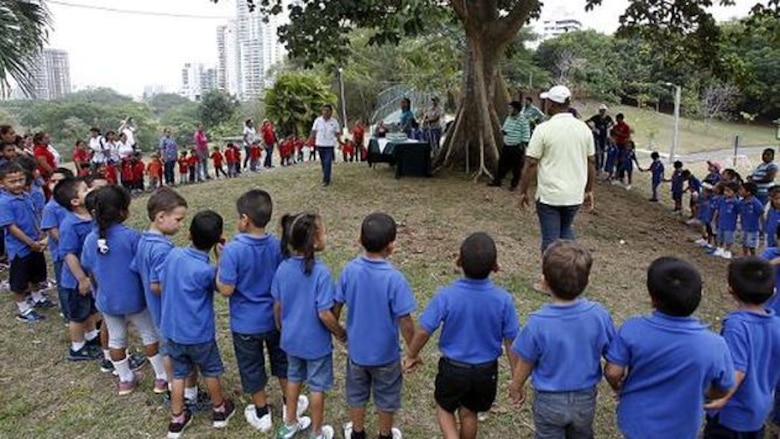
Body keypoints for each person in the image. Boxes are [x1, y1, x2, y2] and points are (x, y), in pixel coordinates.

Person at [404, 232, 519, 439]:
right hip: (486, 372)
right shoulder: (504, 300)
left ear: (458, 261)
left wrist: (411, 354)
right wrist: (515, 377)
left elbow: (424, 330)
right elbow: (511, 341)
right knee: (469, 413)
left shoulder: (446, 295)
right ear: (496, 266)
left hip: (453, 369)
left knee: (444, 407)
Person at [604, 257, 734, 439]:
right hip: (683, 426)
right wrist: (700, 392)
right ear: (699, 297)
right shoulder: (715, 344)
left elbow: (612, 372)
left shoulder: (633, 329)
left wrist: (619, 387)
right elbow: (725, 386)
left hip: (637, 421)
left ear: (652, 298)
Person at [216, 190, 309, 433]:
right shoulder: (278, 246)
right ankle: (291, 404)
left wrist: (220, 260)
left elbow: (226, 289)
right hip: (276, 321)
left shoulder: (233, 250)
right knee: (282, 363)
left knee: (252, 367)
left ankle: (262, 413)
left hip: (245, 325)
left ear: (245, 219)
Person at [509, 241, 615, 438]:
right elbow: (614, 357)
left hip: (549, 401)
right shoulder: (599, 315)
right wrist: (618, 385)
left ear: (544, 282)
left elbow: (526, 361)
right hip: (585, 399)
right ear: (588, 280)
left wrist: (516, 385)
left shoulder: (537, 322)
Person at [334, 213, 416, 439]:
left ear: (360, 240)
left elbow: (336, 305)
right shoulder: (395, 279)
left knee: (357, 393)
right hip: (387, 355)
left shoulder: (349, 270)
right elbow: (406, 322)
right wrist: (413, 351)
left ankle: (357, 432)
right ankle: (384, 434)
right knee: (387, 396)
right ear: (391, 247)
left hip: (357, 353)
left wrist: (339, 332)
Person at [81, 186, 168, 395]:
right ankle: (161, 377)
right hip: (135, 299)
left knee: (116, 339)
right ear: (122, 211)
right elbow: (143, 269)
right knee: (149, 335)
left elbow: (89, 268)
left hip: (107, 300)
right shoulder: (131, 237)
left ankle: (125, 380)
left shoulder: (90, 239)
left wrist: (98, 293)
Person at [159, 210, 236, 437]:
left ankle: (176, 419)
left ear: (190, 235)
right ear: (217, 240)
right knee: (210, 371)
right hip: (199, 334)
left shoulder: (173, 256)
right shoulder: (206, 271)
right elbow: (223, 286)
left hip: (173, 331)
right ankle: (219, 409)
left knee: (179, 374)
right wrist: (221, 258)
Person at [273, 212, 345, 439]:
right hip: (316, 344)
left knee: (293, 378)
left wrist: (281, 328)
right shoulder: (321, 273)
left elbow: (277, 305)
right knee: (316, 386)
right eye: (323, 232)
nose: (326, 235)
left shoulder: (283, 268)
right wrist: (341, 333)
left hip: (291, 340)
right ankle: (316, 432)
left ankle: (290, 423)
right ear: (314, 240)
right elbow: (324, 313)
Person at [702, 257, 780, 438]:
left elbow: (737, 371)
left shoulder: (736, 325)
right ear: (774, 291)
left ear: (731, 290)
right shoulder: (777, 325)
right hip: (758, 412)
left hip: (732, 415)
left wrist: (721, 398)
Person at [517, 85, 596, 253]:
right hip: (574, 195)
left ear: (552, 104)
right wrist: (589, 190)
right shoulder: (584, 129)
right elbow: (591, 162)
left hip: (550, 196)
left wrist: (523, 191)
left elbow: (531, 163)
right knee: (565, 230)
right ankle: (575, 266)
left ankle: (553, 275)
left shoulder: (543, 129)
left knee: (551, 240)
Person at [52, 177, 102, 360]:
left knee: (90, 310)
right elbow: (69, 254)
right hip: (76, 280)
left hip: (91, 277)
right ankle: (77, 348)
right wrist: (81, 279)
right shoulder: (70, 224)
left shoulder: (93, 216)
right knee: (77, 316)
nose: (90, 190)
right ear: (75, 201)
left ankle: (91, 337)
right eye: (85, 189)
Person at [0, 162, 49, 321]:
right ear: (2, 183)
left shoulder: (26, 196)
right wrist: (29, 242)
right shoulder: (4, 202)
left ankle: (37, 296)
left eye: (21, 179)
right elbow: (12, 227)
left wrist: (40, 233)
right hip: (20, 248)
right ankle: (23, 308)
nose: (18, 184)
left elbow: (34, 215)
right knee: (20, 279)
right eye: (12, 181)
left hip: (35, 243)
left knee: (36, 273)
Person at [41, 168, 74, 321]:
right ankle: (68, 313)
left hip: (75, 250)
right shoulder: (51, 207)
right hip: (63, 252)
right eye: (52, 181)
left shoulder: (72, 203)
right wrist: (68, 246)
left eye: (59, 181)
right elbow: (52, 230)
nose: (54, 184)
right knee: (64, 282)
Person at [488, 101, 530, 191]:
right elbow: (505, 127)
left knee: (516, 167)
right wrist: (504, 131)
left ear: (516, 109)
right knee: (502, 164)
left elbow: (526, 132)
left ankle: (514, 184)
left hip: (517, 146)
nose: (509, 110)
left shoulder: (523, 120)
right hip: (507, 145)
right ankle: (497, 181)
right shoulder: (509, 118)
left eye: (511, 108)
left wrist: (524, 143)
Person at [309, 104, 341, 187]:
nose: (325, 112)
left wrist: (340, 142)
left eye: (327, 110)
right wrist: (309, 141)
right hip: (320, 145)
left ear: (331, 112)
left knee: (328, 162)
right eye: (324, 110)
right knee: (323, 162)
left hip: (329, 146)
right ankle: (326, 175)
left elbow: (337, 133)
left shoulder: (334, 122)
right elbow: (313, 132)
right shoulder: (317, 120)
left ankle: (326, 180)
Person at [713, 181, 740, 260]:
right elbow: (717, 210)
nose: (726, 193)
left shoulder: (736, 202)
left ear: (735, 193)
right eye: (725, 190)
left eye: (728, 191)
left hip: (730, 224)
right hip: (720, 222)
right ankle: (719, 248)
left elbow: (739, 213)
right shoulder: (721, 199)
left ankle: (727, 251)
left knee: (728, 238)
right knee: (719, 236)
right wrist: (714, 219)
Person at [739, 182, 765, 256]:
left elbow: (761, 214)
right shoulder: (742, 202)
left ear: (748, 192)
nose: (740, 191)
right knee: (744, 244)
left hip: (753, 228)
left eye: (742, 190)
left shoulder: (756, 203)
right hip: (744, 227)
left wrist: (762, 227)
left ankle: (753, 258)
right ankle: (745, 256)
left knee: (751, 246)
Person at [586, 104, 614, 173]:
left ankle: (601, 166)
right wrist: (593, 128)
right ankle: (597, 166)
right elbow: (587, 121)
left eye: (604, 110)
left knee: (602, 152)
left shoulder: (608, 118)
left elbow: (612, 123)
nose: (602, 112)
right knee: (596, 151)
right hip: (597, 136)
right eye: (601, 110)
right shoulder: (596, 117)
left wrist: (608, 127)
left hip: (604, 136)